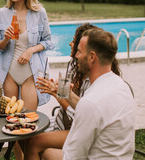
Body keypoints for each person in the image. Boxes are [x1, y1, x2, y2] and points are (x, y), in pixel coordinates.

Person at [24, 23, 122, 159]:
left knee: (34, 142)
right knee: (24, 135)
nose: (70, 44)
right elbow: (65, 96)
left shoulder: (98, 82)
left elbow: (80, 116)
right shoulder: (74, 65)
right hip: (64, 121)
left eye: (74, 42)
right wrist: (56, 91)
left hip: (78, 128)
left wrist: (56, 95)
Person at [42, 28, 136, 160]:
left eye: (79, 51)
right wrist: (67, 93)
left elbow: (73, 156)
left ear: (92, 57)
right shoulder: (122, 86)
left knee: (47, 152)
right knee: (48, 153)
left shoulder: (91, 102)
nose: (76, 56)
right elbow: (89, 108)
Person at [0, 0, 54, 159]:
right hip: (9, 72)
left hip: (30, 73)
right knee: (12, 122)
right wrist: (5, 39)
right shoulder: (1, 14)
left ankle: (31, 156)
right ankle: (20, 157)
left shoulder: (38, 12)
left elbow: (48, 41)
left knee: (28, 121)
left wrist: (31, 50)